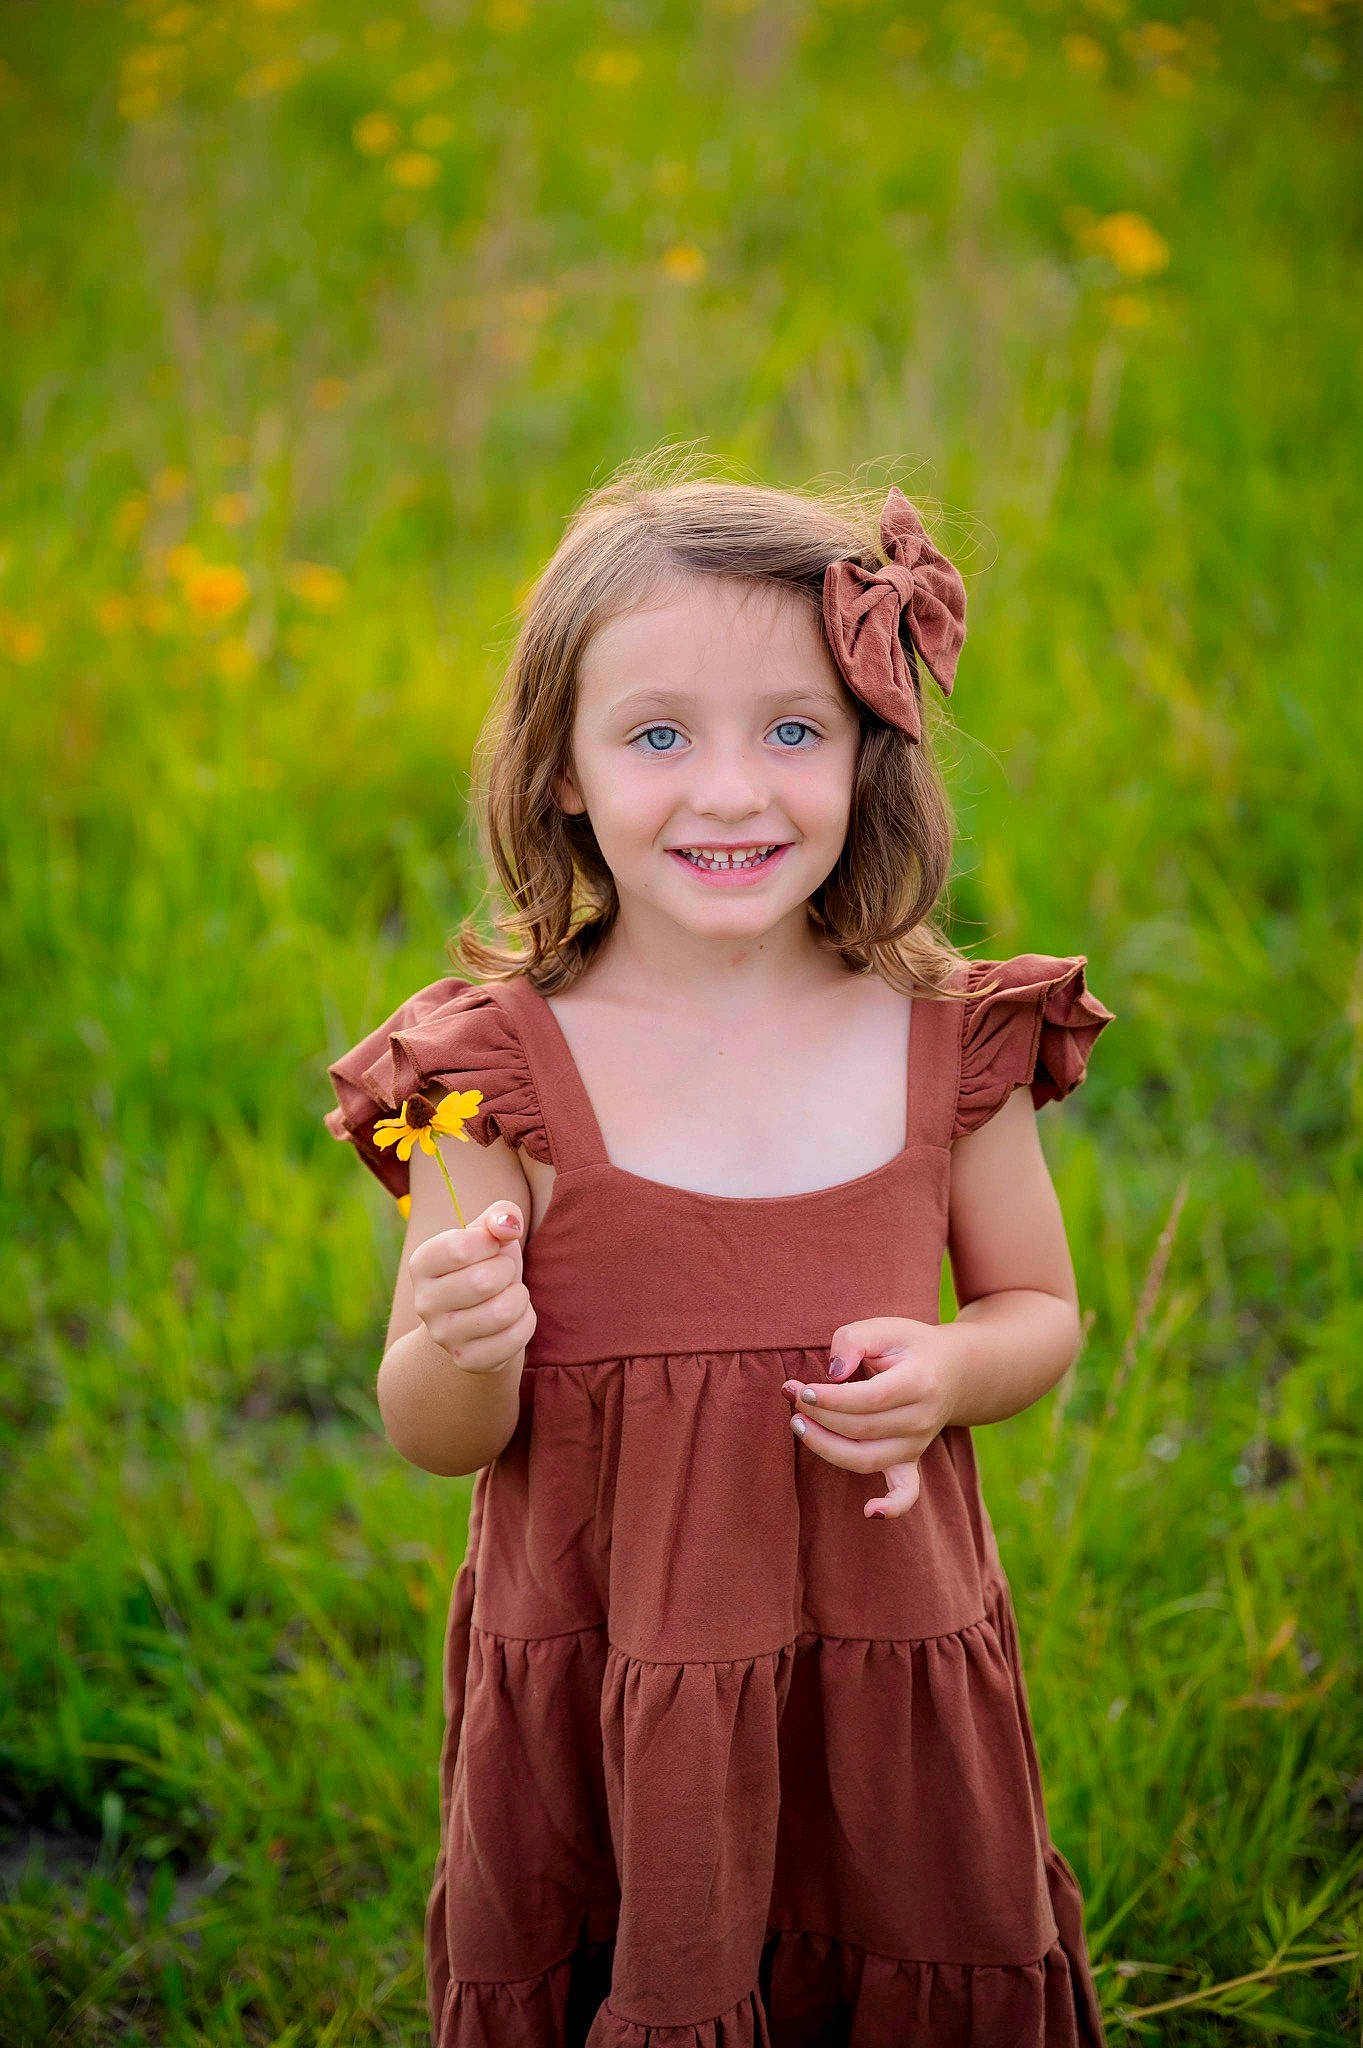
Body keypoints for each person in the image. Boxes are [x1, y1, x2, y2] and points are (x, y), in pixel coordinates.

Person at [324, 450, 1117, 2046]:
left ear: (869, 748)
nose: (734, 790)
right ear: (563, 768)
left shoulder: (950, 1044)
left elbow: (1041, 1309)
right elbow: (438, 1435)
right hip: (617, 1687)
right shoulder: (478, 1079)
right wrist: (457, 1338)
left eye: (795, 732)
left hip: (879, 1670)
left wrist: (956, 1368)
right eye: (661, 735)